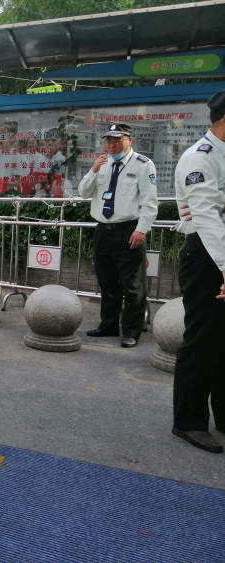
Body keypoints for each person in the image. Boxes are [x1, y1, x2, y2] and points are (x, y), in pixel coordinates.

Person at [171, 90, 225, 454]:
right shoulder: (199, 158)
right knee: (203, 340)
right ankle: (188, 421)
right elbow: (207, 219)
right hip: (208, 257)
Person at [78, 123, 158, 348]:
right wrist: (93, 170)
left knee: (133, 285)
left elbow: (150, 201)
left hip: (128, 229)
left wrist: (142, 229)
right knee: (107, 282)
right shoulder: (102, 163)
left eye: (117, 140)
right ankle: (108, 325)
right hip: (103, 230)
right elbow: (83, 192)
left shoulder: (143, 164)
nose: (112, 145)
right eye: (109, 141)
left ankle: (132, 331)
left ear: (129, 140)